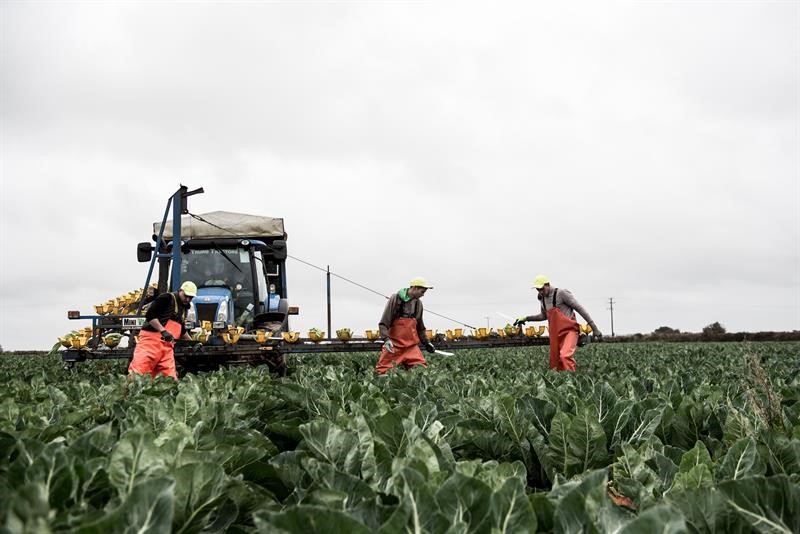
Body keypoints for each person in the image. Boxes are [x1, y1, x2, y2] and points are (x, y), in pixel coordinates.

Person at [514, 275, 601, 372]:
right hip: (555, 335)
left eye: (542, 289)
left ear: (547, 285)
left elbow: (580, 309)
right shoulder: (543, 299)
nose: (540, 292)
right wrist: (526, 318)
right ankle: (561, 385)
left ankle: (571, 380)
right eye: (538, 290)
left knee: (565, 356)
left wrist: (594, 327)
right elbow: (543, 316)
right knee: (555, 364)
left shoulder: (562, 293)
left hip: (569, 331)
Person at [128, 281, 197, 379]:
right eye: (186, 295)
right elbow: (150, 315)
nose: (188, 299)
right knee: (138, 374)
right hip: (150, 344)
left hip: (167, 348)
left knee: (169, 380)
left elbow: (182, 330)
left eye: (190, 297)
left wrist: (192, 343)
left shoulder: (183, 308)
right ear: (180, 291)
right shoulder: (167, 298)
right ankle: (128, 393)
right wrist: (163, 331)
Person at [375, 277, 436, 374]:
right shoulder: (396, 298)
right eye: (422, 291)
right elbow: (384, 322)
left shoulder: (418, 304)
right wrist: (386, 339)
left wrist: (426, 342)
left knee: (421, 371)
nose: (423, 295)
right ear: (415, 288)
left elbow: (420, 327)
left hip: (411, 347)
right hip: (394, 345)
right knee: (383, 372)